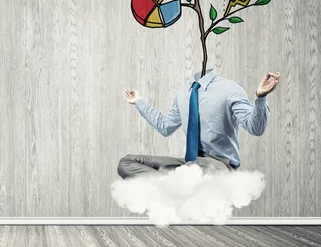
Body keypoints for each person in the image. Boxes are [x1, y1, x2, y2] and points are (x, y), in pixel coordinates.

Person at [118, 67, 280, 178]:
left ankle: (176, 183)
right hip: (190, 163)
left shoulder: (230, 89)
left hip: (219, 164)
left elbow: (256, 128)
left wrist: (261, 97)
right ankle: (168, 184)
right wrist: (139, 102)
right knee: (126, 163)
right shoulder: (184, 92)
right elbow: (165, 126)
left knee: (210, 173)